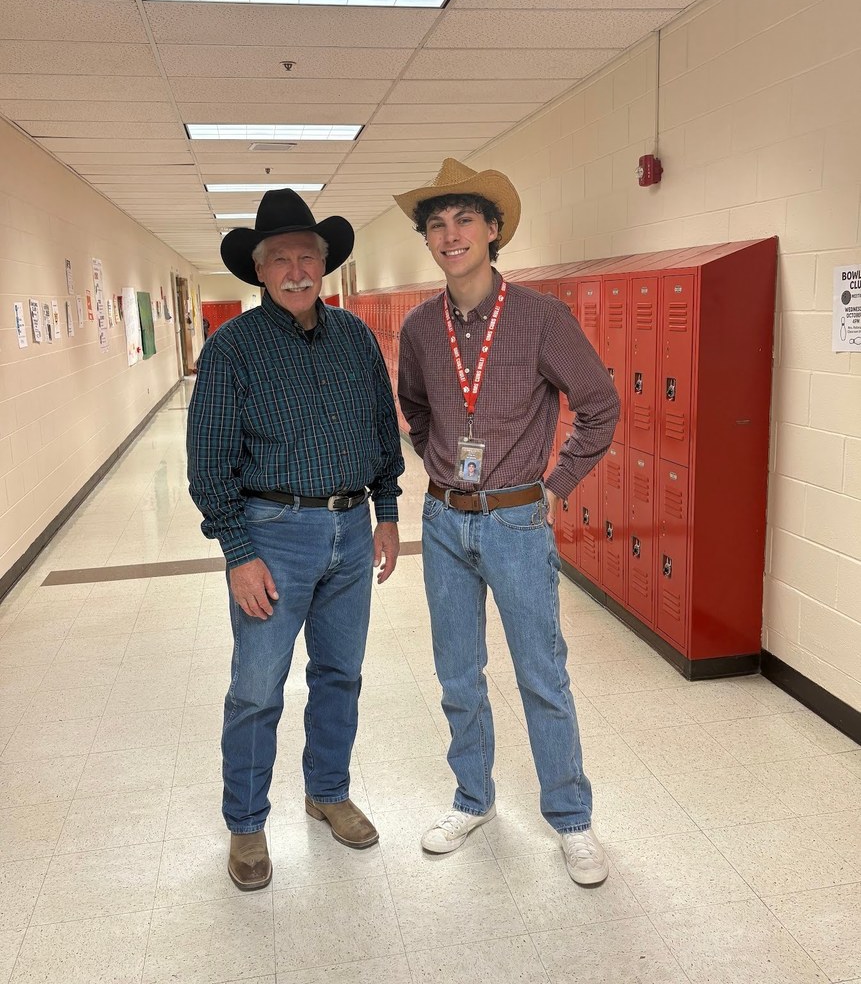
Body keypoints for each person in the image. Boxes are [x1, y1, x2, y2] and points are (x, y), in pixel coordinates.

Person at [394, 159, 619, 885]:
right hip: (442, 521)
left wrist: (555, 485)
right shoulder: (420, 327)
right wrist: (440, 466)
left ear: (493, 230)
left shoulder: (540, 318)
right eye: (436, 224)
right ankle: (472, 799)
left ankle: (572, 819)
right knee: (458, 675)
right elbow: (417, 409)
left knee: (541, 675)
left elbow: (600, 405)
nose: (449, 234)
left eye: (464, 220)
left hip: (517, 521)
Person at [187, 189, 404, 891]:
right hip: (273, 536)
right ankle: (247, 824)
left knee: (340, 673)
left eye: (306, 256)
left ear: (323, 264)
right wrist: (238, 553)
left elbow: (382, 429)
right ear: (258, 271)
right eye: (279, 258)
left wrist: (386, 512)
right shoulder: (231, 350)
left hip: (351, 528)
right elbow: (208, 464)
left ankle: (328, 792)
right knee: (257, 689)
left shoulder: (356, 337)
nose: (295, 270)